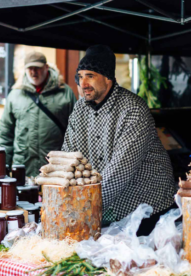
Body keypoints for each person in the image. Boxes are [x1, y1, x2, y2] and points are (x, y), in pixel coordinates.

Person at [62, 45, 176, 235]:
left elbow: (119, 172)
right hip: (103, 207)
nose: (83, 83)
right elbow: (68, 157)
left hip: (147, 207)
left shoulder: (133, 110)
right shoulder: (80, 108)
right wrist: (66, 199)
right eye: (80, 77)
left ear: (108, 78)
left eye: (90, 75)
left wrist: (82, 211)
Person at [0, 52, 76, 176]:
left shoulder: (65, 93)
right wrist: (3, 167)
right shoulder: (15, 95)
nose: (34, 72)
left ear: (46, 68)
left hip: (55, 169)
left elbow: (75, 132)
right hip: (23, 167)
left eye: (37, 68)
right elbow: (5, 135)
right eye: (30, 68)